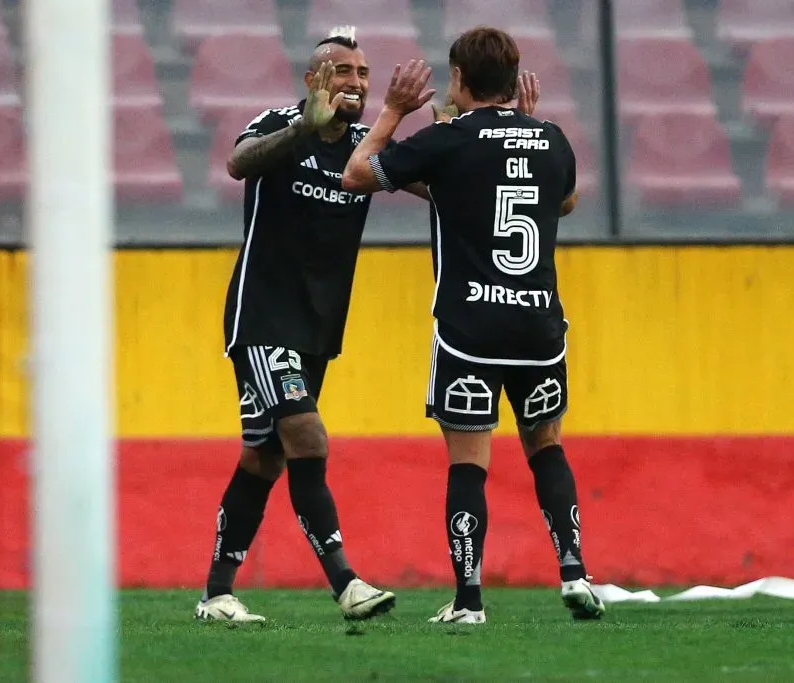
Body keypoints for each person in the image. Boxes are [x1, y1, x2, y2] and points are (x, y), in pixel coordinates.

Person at [342, 26, 606, 624]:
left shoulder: (446, 140)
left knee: (469, 462)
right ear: (515, 82)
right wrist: (528, 134)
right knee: (546, 446)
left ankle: (468, 600)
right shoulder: (554, 140)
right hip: (539, 327)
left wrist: (391, 112)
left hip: (470, 327)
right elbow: (561, 201)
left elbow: (357, 173)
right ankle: (574, 572)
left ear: (458, 80)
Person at [194, 26, 404, 624]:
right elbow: (238, 162)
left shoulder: (367, 146)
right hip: (263, 316)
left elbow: (426, 180)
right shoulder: (278, 122)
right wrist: (304, 129)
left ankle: (216, 594)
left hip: (317, 326)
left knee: (264, 456)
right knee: (307, 437)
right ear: (314, 79)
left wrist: (467, 136)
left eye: (363, 73)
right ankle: (346, 584)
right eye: (343, 71)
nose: (356, 82)